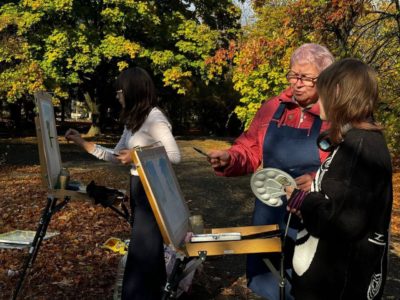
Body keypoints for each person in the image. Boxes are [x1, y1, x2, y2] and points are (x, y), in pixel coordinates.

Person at [207, 43, 334, 300]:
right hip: (270, 210)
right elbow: (249, 149)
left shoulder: (337, 114)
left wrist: (318, 180)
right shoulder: (272, 108)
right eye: (292, 75)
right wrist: (230, 158)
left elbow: (347, 168)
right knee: (269, 282)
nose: (297, 83)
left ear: (325, 79)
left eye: (305, 78)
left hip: (312, 217)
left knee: (309, 286)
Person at [65, 67, 181, 300]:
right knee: (148, 252)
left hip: (153, 193)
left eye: (120, 91)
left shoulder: (155, 118)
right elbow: (117, 156)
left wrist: (137, 154)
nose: (118, 96)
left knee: (143, 252)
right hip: (137, 187)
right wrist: (82, 142)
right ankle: (158, 292)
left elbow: (175, 156)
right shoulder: (133, 121)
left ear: (133, 91)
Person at [285, 58, 393, 299]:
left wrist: (302, 200)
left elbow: (341, 222)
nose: (316, 100)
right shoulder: (355, 140)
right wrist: (314, 187)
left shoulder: (360, 146)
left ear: (336, 92)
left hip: (337, 286)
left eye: (321, 93)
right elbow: (344, 198)